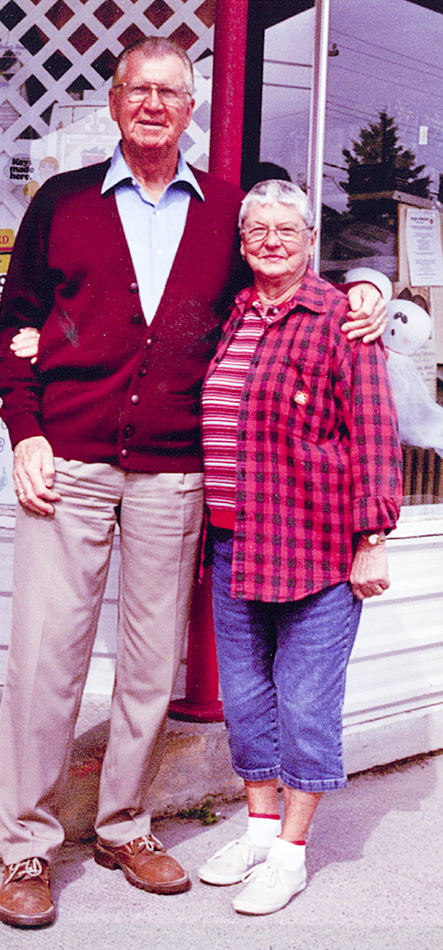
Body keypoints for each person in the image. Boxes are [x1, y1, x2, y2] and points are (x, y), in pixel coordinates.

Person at [0, 36, 386, 928]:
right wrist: (25, 432)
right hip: (73, 463)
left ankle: (125, 825)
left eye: (173, 90)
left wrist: (363, 282)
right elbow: (11, 329)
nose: (155, 104)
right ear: (115, 99)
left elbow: (296, 262)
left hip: (175, 476)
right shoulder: (61, 202)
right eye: (140, 89)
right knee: (46, 661)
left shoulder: (225, 214)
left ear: (192, 105)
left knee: (146, 668)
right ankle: (26, 848)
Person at [197, 179, 403, 916]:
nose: (272, 241)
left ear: (310, 240)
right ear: (243, 240)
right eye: (258, 230)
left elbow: (375, 434)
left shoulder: (341, 319)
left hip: (315, 548)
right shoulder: (234, 313)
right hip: (232, 544)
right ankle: (257, 829)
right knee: (247, 700)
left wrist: (372, 537)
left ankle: (289, 853)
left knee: (306, 706)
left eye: (288, 229)